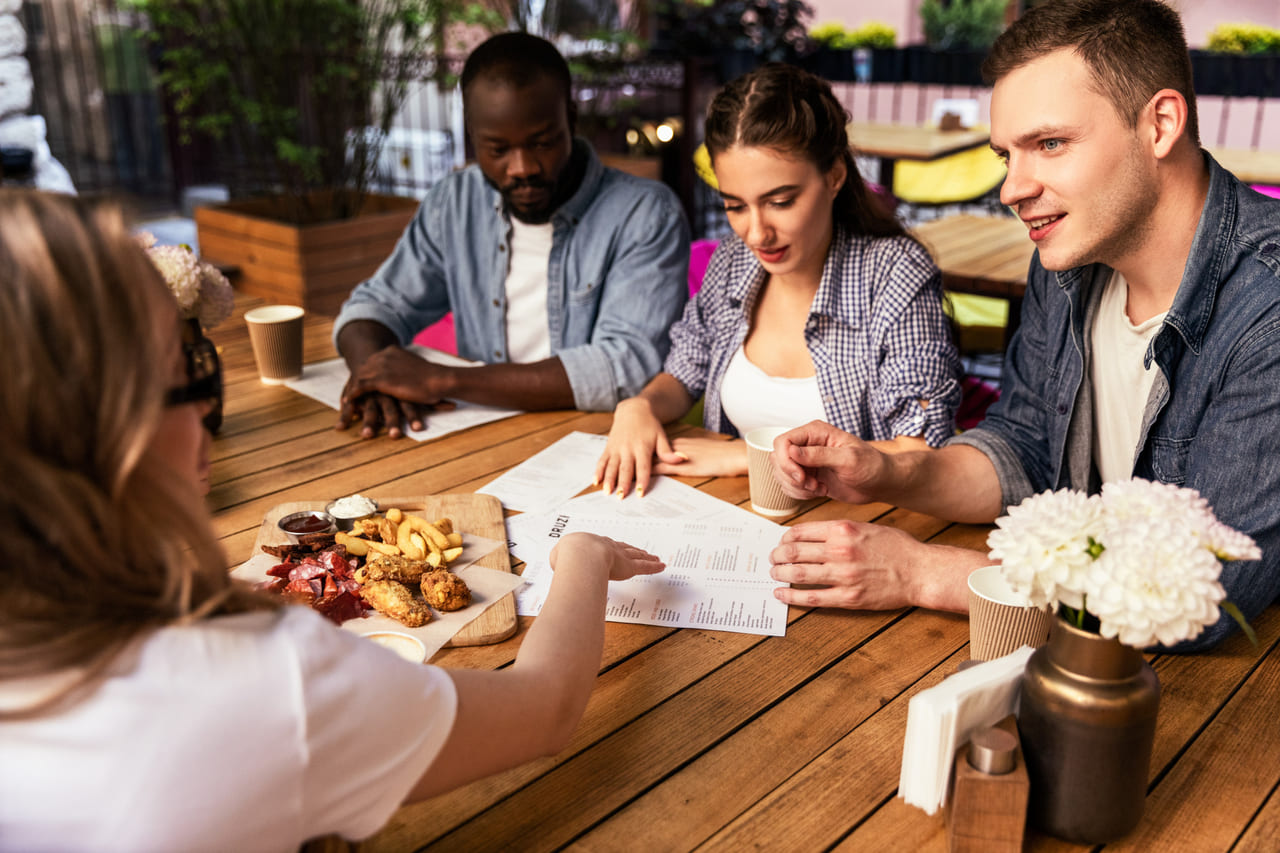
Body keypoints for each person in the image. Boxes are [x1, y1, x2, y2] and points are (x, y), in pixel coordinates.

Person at [0, 189, 664, 850]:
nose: (208, 413)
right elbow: (544, 707)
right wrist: (582, 553)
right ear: (115, 429)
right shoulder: (265, 682)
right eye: (194, 371)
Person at [767, 0, 1280, 651]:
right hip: (1067, 656)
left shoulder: (1267, 305)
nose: (1013, 187)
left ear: (1161, 124)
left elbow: (1207, 593)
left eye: (1050, 144)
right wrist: (889, 472)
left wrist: (924, 572)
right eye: (1006, 154)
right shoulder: (1068, 260)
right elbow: (1027, 448)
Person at [594, 63, 961, 497]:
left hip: (859, 531)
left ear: (835, 176)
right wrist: (639, 407)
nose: (756, 232)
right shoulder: (733, 261)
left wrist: (746, 459)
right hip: (735, 518)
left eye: (781, 201)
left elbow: (920, 451)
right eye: (735, 206)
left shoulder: (894, 274)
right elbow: (683, 373)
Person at [334, 31, 690, 439]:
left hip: (600, 445)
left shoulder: (645, 214)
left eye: (541, 142)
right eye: (497, 149)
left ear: (570, 120)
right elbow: (375, 305)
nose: (522, 167)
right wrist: (374, 378)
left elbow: (625, 368)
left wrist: (443, 380)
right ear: (472, 137)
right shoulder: (454, 201)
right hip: (479, 437)